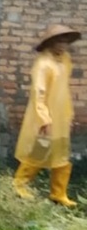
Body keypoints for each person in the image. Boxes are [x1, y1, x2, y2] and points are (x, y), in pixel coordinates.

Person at [13, 24, 80, 208]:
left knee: (61, 153)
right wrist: (44, 118)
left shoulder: (65, 60)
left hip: (61, 115)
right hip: (46, 116)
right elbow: (39, 92)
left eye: (65, 41)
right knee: (40, 150)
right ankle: (19, 185)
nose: (63, 45)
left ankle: (58, 193)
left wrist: (69, 115)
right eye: (59, 40)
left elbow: (63, 90)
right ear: (50, 43)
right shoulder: (43, 64)